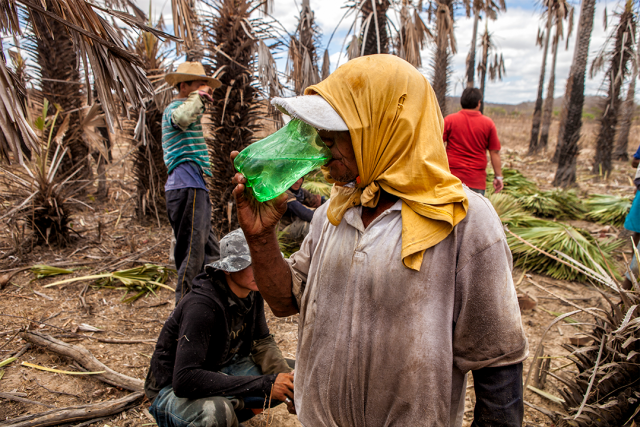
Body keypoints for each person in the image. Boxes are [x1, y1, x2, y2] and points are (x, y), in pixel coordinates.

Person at [231, 55, 528, 426]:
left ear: (387, 130)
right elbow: (285, 301)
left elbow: (497, 363)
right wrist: (260, 240)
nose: (322, 145)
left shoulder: (463, 221)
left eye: (336, 132)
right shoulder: (334, 213)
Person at [145, 229, 295, 427]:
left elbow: (262, 341)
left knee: (295, 376)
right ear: (227, 269)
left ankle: (234, 411)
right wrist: (266, 384)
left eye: (261, 261)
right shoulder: (202, 306)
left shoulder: (252, 290)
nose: (259, 269)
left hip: (222, 368)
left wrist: (290, 388)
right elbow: (184, 379)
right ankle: (223, 414)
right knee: (216, 411)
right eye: (249, 264)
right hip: (172, 388)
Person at [163, 62, 221, 303]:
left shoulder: (188, 109)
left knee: (211, 252)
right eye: (198, 86)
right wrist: (199, 98)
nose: (203, 90)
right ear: (183, 86)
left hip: (193, 183)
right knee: (193, 254)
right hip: (187, 184)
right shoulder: (175, 107)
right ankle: (183, 315)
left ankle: (210, 304)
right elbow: (181, 118)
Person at [443, 87, 504, 196]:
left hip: (451, 178)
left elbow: (436, 143)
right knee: (473, 212)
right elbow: (494, 152)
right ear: (479, 103)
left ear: (462, 102)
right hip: (476, 181)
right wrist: (498, 176)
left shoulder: (449, 120)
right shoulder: (488, 123)